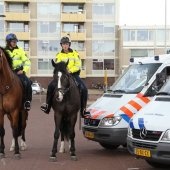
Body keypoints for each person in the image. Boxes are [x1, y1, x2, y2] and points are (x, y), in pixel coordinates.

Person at [41, 36, 88, 117]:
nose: (65, 45)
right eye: (63, 44)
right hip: (62, 75)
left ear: (69, 45)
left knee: (84, 88)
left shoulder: (75, 53)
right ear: (61, 45)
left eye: (66, 44)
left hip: (73, 74)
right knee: (50, 86)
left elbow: (78, 65)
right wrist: (64, 72)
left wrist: (70, 71)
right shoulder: (59, 55)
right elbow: (58, 66)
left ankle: (83, 110)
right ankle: (47, 106)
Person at [5, 33, 32, 111]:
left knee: (28, 83)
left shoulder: (20, 50)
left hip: (18, 72)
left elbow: (27, 62)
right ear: (8, 42)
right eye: (13, 41)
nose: (15, 43)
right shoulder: (4, 51)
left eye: (15, 41)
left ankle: (27, 101)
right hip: (8, 73)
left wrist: (23, 70)